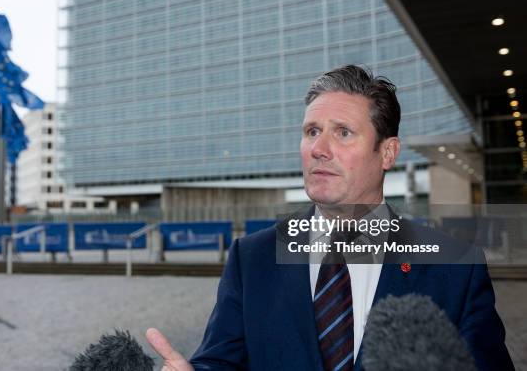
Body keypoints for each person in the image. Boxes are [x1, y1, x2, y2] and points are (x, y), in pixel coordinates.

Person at [146, 65, 514, 370]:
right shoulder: (252, 258)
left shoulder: (456, 268)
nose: (319, 150)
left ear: (387, 153)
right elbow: (223, 362)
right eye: (312, 132)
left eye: (343, 133)